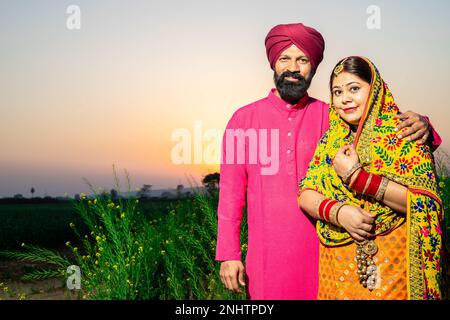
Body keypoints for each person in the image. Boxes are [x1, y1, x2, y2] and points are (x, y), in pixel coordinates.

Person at [215, 23, 441, 300]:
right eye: (285, 58)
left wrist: (424, 125)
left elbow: (380, 124)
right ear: (273, 64)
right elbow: (230, 195)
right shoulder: (243, 120)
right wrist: (229, 254)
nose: (293, 68)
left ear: (314, 67)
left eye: (303, 60)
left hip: (329, 255)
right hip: (267, 259)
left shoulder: (331, 116)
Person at [298, 56, 448, 300]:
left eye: (354, 88)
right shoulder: (329, 142)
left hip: (394, 266)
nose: (345, 98)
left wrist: (358, 178)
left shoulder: (404, 133)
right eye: (337, 92)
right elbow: (306, 194)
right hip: (337, 270)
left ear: (375, 89)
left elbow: (425, 204)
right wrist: (339, 213)